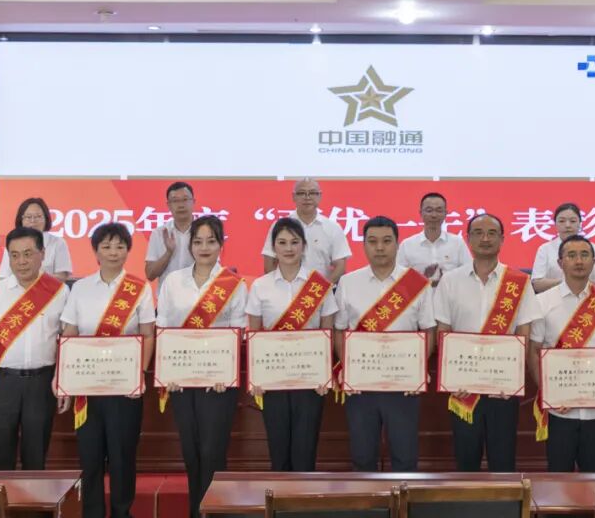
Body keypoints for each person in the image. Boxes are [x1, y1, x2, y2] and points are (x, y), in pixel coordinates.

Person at [60, 222, 155, 518]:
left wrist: (139, 375)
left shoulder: (139, 288)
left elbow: (148, 334)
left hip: (124, 388)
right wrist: (64, 382)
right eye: (106, 246)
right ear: (95, 251)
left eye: (120, 246)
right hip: (87, 389)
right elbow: (69, 334)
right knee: (90, 459)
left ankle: (122, 512)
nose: (113, 252)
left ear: (128, 250)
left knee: (122, 457)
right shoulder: (80, 289)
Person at [157, 215, 247, 518]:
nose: (204, 247)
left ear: (221, 244)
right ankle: (195, 512)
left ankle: (213, 512)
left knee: (212, 451)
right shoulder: (173, 282)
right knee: (191, 451)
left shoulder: (233, 284)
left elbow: (239, 331)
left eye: (211, 241)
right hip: (181, 380)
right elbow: (163, 328)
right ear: (190, 245)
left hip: (218, 383)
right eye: (198, 241)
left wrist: (226, 372)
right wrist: (167, 373)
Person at [434, 213, 537, 471]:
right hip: (462, 387)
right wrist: (450, 378)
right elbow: (443, 331)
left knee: (503, 461)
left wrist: (512, 377)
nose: (485, 239)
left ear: (502, 239)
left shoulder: (519, 282)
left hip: (502, 388)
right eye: (478, 233)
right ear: (468, 239)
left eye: (492, 233)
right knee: (466, 460)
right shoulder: (450, 281)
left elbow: (524, 332)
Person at [334, 215, 436, 472]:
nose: (380, 247)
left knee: (405, 457)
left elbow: (429, 330)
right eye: (372, 241)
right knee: (362, 456)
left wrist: (417, 370)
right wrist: (348, 368)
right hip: (361, 385)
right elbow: (339, 330)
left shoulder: (416, 284)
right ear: (363, 245)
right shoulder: (348, 282)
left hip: (403, 385)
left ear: (398, 244)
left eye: (387, 241)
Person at [0, 226, 69, 469]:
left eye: (28, 254)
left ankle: (33, 497)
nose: (21, 262)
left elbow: (67, 341)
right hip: (2, 384)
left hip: (42, 384)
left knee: (36, 458)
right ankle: (2, 497)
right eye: (14, 255)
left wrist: (64, 385)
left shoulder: (59, 292)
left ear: (42, 254)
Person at [531, 234, 595, 472]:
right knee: (558, 476)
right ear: (560, 263)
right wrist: (549, 394)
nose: (579, 261)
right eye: (572, 255)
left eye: (585, 255)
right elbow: (534, 352)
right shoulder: (542, 301)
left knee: (594, 475)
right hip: (559, 409)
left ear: (594, 262)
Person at [247, 217, 338, 471]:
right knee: (279, 452)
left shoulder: (319, 285)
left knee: (305, 451)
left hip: (310, 381)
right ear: (273, 247)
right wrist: (256, 377)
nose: (289, 248)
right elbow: (254, 333)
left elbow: (327, 333)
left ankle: (303, 497)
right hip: (273, 378)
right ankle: (278, 497)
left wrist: (324, 374)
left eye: (294, 242)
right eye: (282, 242)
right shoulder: (260, 286)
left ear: (304, 246)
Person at [261, 178, 351, 282]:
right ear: (293, 197)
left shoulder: (332, 227)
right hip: (285, 289)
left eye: (312, 193)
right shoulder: (280, 226)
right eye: (301, 193)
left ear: (319, 196)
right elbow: (269, 264)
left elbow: (340, 266)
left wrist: (322, 289)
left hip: (320, 290)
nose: (307, 197)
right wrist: (279, 286)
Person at [531, 203, 595, 293]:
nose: (567, 225)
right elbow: (536, 284)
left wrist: (580, 282)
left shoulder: (592, 248)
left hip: (585, 298)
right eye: (562, 221)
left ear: (580, 223)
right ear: (555, 224)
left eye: (572, 221)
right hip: (553, 298)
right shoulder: (545, 249)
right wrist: (567, 282)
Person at [398, 192, 472, 285]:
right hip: (419, 294)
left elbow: (469, 273)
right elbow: (398, 279)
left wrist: (447, 280)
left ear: (446, 214)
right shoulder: (407, 245)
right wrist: (423, 280)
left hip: (451, 293)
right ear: (421, 213)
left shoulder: (457, 243)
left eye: (439, 210)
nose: (434, 215)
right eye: (429, 210)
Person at [0, 197, 73, 281]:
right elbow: (3, 277)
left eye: (38, 217)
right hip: (16, 288)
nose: (33, 221)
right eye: (28, 217)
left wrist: (32, 281)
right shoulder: (13, 243)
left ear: (46, 219)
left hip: (47, 288)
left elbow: (62, 276)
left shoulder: (58, 243)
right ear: (21, 220)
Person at [145, 181, 197, 285]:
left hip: (197, 293)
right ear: (168, 205)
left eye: (185, 199)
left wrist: (195, 251)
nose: (181, 205)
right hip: (167, 295)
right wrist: (168, 253)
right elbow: (150, 274)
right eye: (175, 201)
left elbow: (214, 270)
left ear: (193, 202)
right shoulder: (159, 233)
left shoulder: (204, 232)